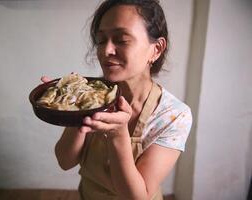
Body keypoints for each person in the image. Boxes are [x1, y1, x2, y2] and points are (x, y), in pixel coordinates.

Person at [41, 0, 192, 199]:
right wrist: (71, 103)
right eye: (101, 40)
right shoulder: (93, 95)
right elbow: (65, 161)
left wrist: (118, 134)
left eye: (121, 40)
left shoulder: (173, 115)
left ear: (156, 49)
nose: (106, 51)